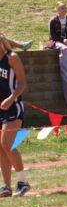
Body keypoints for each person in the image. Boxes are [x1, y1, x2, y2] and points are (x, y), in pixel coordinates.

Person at [0, 35, 30, 197]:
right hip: (0, 108)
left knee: (7, 144)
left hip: (13, 107)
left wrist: (11, 98)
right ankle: (6, 186)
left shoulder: (12, 57)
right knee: (1, 148)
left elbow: (22, 82)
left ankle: (23, 182)